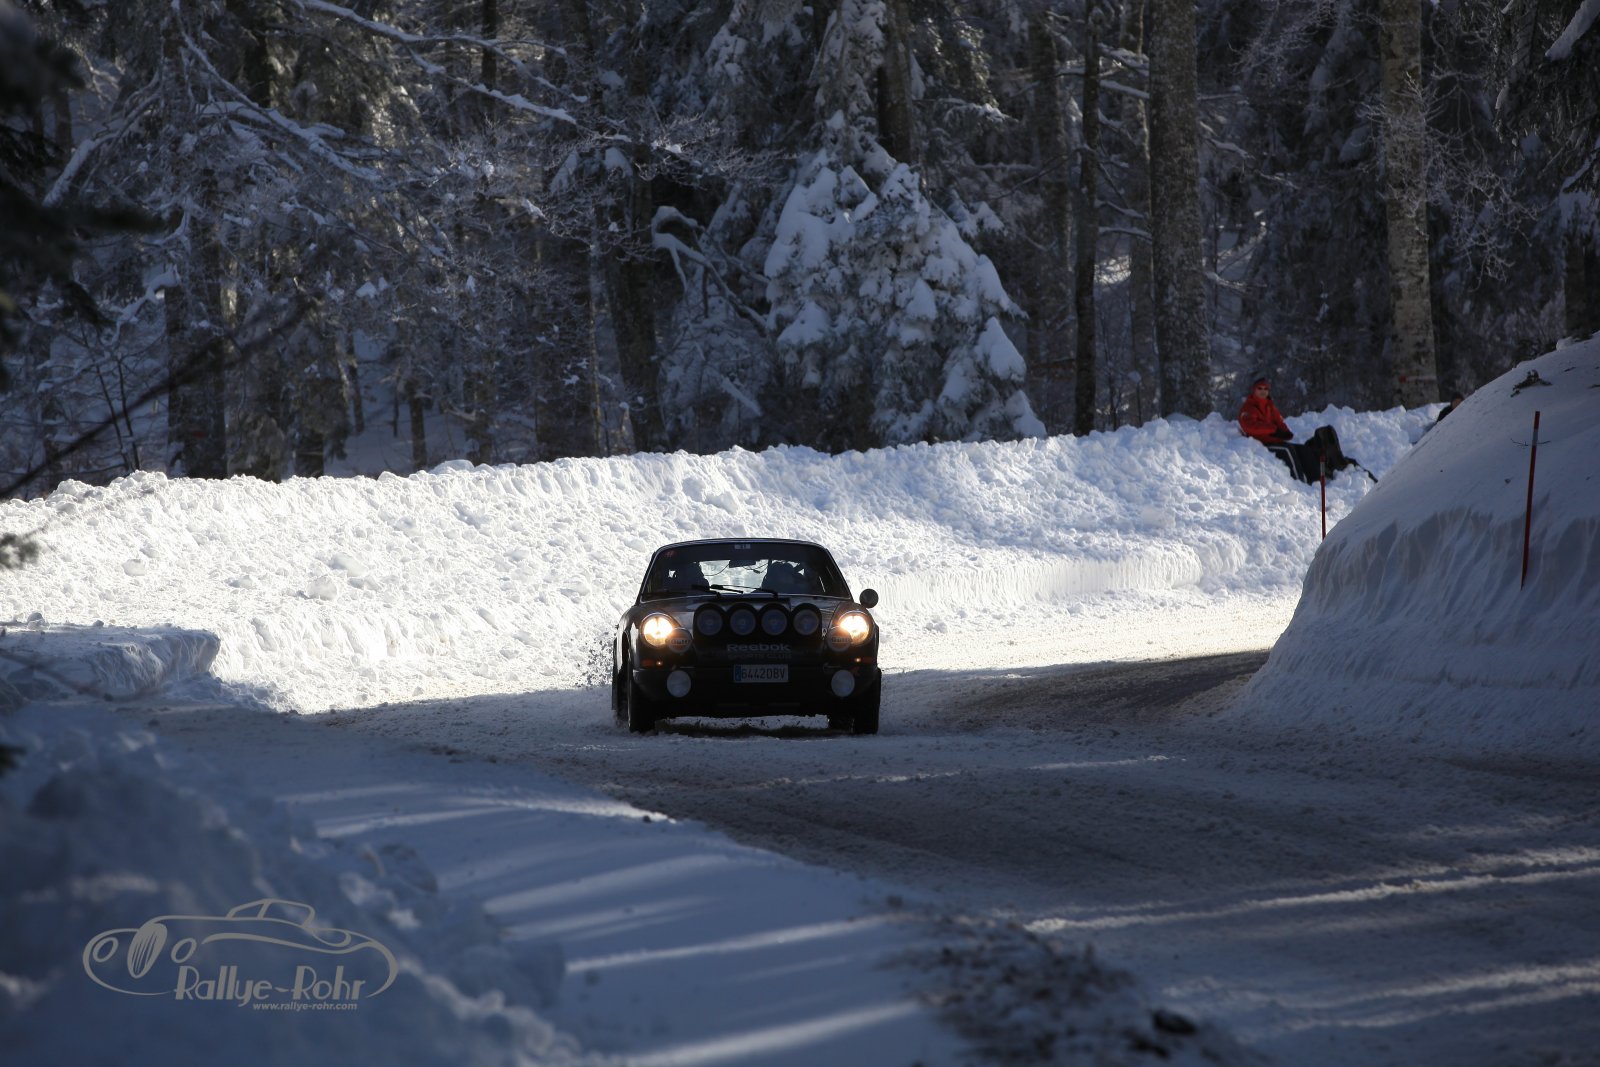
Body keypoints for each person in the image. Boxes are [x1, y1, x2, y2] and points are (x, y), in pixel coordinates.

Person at [1238, 376, 1353, 484]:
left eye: (1265, 389)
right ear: (1254, 390)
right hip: (1260, 444)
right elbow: (1251, 427)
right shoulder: (1248, 407)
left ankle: (1316, 479)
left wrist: (1285, 432)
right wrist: (1273, 430)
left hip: (1274, 440)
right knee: (1288, 451)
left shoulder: (1269, 406)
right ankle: (1299, 482)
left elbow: (1279, 421)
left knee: (1303, 450)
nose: (1263, 391)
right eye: (1260, 388)